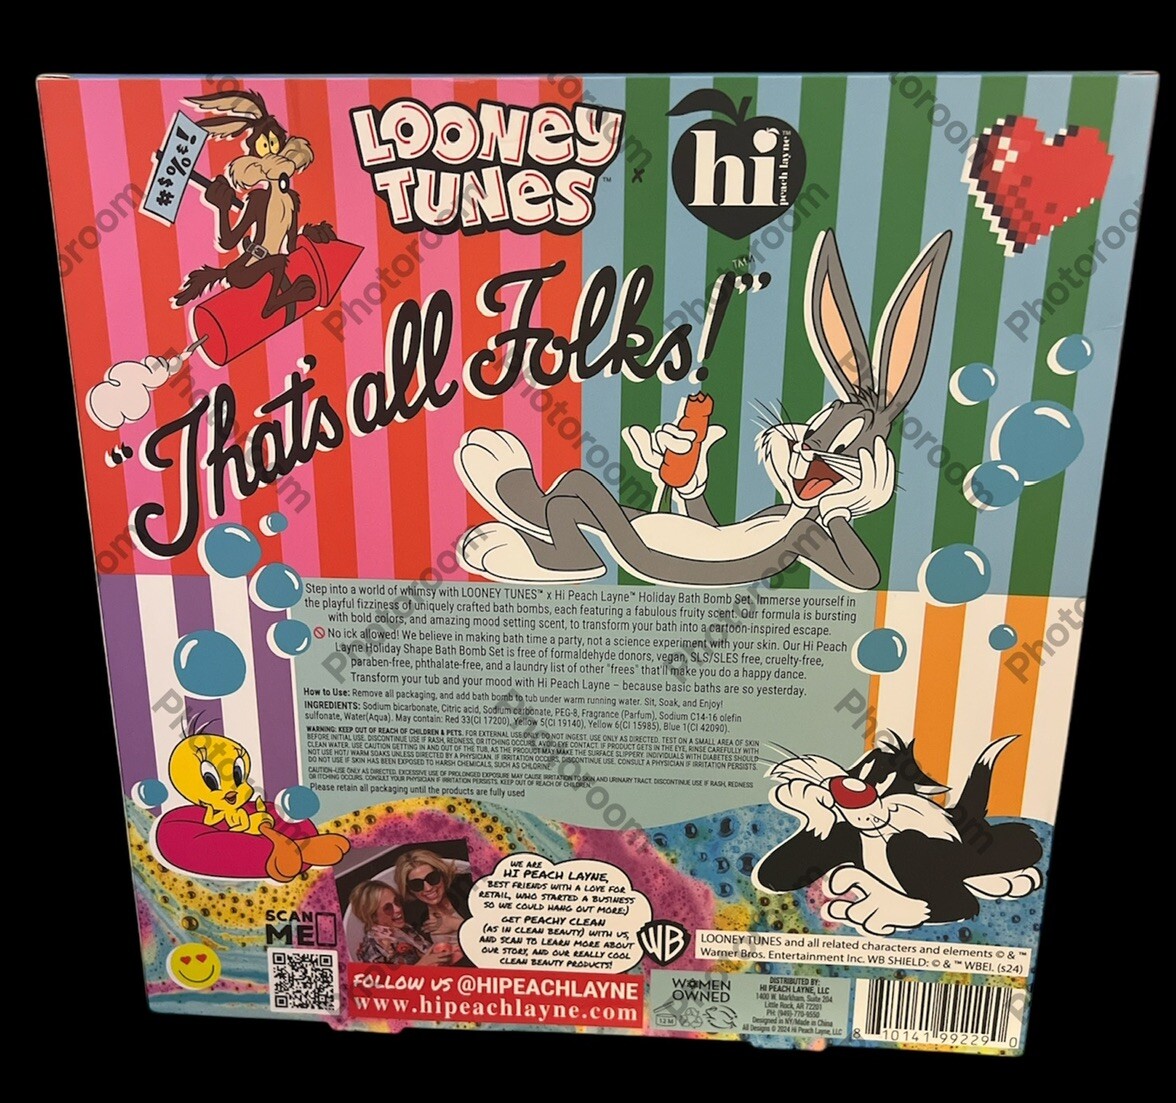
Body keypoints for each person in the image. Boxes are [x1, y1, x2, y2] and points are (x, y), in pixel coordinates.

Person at [347, 880, 453, 966]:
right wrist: (423, 965)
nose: (398, 909)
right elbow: (384, 985)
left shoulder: (403, 928)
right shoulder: (371, 948)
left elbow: (427, 952)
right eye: (388, 908)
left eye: (396, 901)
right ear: (372, 916)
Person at [394, 850, 472, 963]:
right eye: (417, 885)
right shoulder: (410, 915)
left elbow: (498, 929)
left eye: (432, 878)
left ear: (441, 874)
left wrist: (456, 924)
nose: (428, 888)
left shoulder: (466, 887)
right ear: (409, 889)